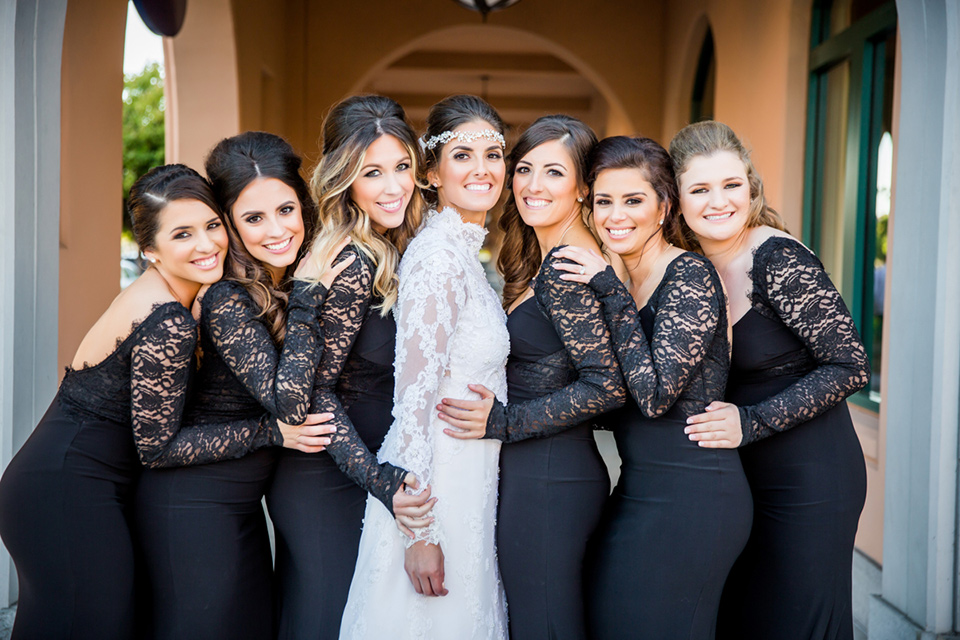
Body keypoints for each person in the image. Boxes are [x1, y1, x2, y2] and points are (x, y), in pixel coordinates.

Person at [133, 132, 405, 640]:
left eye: (285, 209)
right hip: (194, 501)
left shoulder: (281, 274)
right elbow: (291, 401)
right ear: (231, 224)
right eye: (253, 218)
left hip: (242, 500)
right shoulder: (226, 299)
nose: (276, 229)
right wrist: (306, 296)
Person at [0, 165, 251, 639]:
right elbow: (157, 447)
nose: (207, 244)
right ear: (151, 250)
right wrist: (271, 432)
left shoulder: (169, 298)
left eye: (212, 225)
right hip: (63, 491)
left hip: (62, 484)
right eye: (183, 234)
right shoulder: (167, 321)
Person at [673, 121, 868, 640]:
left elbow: (850, 365)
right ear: (677, 201)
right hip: (738, 483)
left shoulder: (776, 258)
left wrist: (751, 422)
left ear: (751, 188)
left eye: (731, 185)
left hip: (812, 479)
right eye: (700, 189)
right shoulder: (688, 269)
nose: (719, 201)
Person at [552, 135, 752, 639]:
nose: (615, 215)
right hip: (639, 491)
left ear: (664, 207)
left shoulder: (691, 274)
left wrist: (609, 292)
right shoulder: (626, 277)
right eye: (603, 201)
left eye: (633, 200)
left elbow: (654, 394)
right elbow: (611, 392)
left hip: (694, 498)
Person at [438, 114, 625, 640]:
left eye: (554, 173)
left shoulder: (569, 267)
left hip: (551, 477)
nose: (532, 185)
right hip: (540, 471)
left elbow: (606, 385)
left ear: (584, 189)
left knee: (545, 625)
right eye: (524, 169)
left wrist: (502, 422)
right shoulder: (543, 258)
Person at [339, 95, 510, 640]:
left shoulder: (462, 254)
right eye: (463, 155)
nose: (482, 169)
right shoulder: (436, 257)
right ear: (431, 174)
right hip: (437, 490)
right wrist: (420, 533)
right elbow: (411, 402)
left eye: (494, 153)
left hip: (470, 480)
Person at [265, 95, 433, 639]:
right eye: (372, 172)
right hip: (325, 475)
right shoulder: (352, 258)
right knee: (326, 622)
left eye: (402, 167)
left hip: (355, 465)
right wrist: (379, 481)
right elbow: (315, 390)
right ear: (344, 179)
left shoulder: (390, 245)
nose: (394, 187)